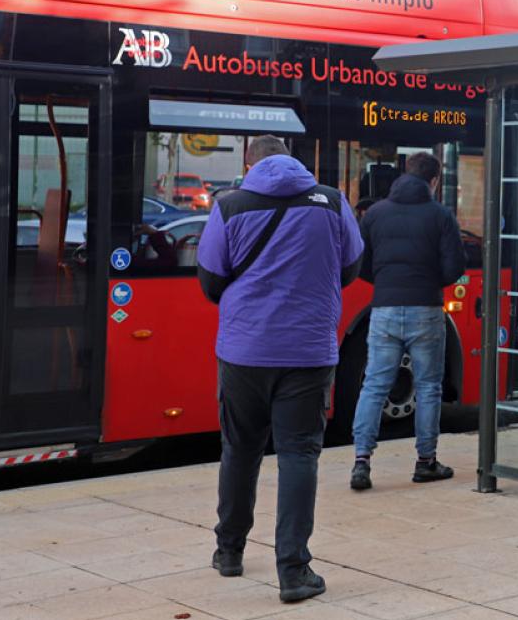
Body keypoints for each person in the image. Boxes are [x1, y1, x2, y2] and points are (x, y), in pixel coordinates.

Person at [196, 135, 363, 603]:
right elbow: (351, 266)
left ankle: (228, 551)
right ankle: (294, 571)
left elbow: (210, 279)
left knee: (240, 450)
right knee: (298, 455)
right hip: (308, 353)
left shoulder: (229, 206)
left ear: (250, 162)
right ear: (293, 158)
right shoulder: (330, 203)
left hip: (244, 351)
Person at [350, 151, 467, 491]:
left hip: (384, 308)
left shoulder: (375, 214)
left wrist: (386, 282)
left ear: (405, 173)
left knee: (373, 385)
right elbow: (455, 266)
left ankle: (361, 462)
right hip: (426, 309)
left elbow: (362, 264)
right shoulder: (441, 216)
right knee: (429, 387)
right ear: (434, 181)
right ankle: (426, 462)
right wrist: (429, 280)